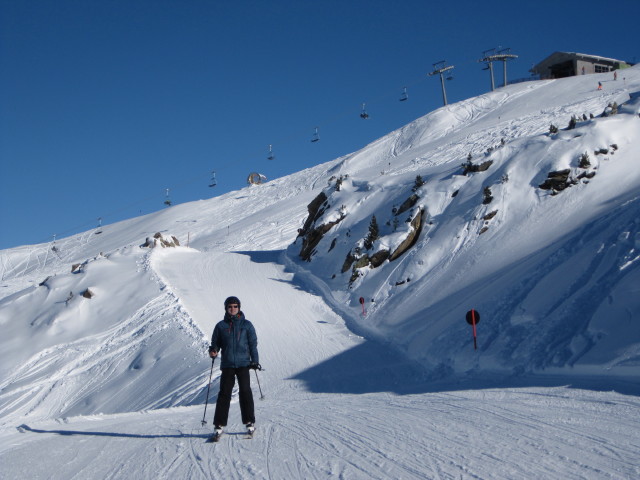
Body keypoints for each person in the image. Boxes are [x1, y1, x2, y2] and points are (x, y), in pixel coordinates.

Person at [208, 296, 260, 439]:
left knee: (245, 392)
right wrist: (213, 350)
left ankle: (249, 422)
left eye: (235, 306)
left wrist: (255, 361)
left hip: (244, 363)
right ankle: (219, 425)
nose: (233, 309)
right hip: (228, 364)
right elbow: (215, 343)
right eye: (230, 306)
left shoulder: (247, 325)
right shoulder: (221, 326)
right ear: (226, 308)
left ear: (239, 307)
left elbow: (252, 344)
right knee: (224, 393)